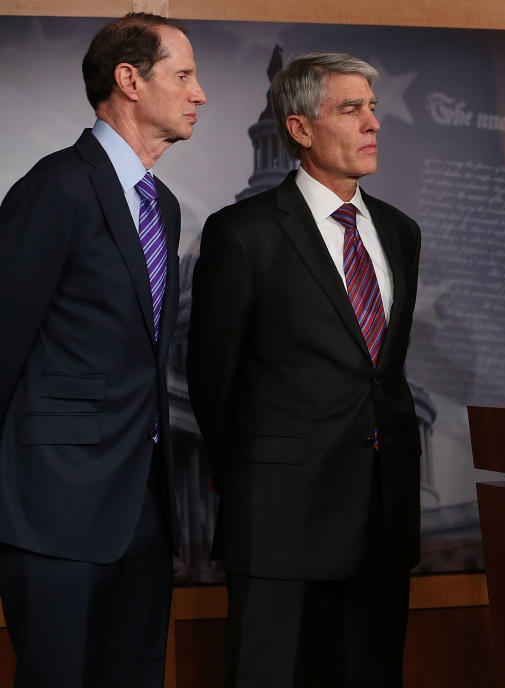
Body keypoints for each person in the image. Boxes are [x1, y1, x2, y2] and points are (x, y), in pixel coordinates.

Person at [187, 52, 421, 687]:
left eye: (373, 107)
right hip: (280, 523)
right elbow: (214, 377)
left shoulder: (401, 232)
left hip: (381, 521)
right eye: (351, 109)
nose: (373, 122)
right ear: (298, 129)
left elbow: (382, 371)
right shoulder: (241, 233)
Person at [0, 13, 205, 687]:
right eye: (182, 75)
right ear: (129, 80)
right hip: (53, 513)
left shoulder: (164, 205)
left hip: (142, 514)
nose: (198, 94)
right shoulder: (54, 187)